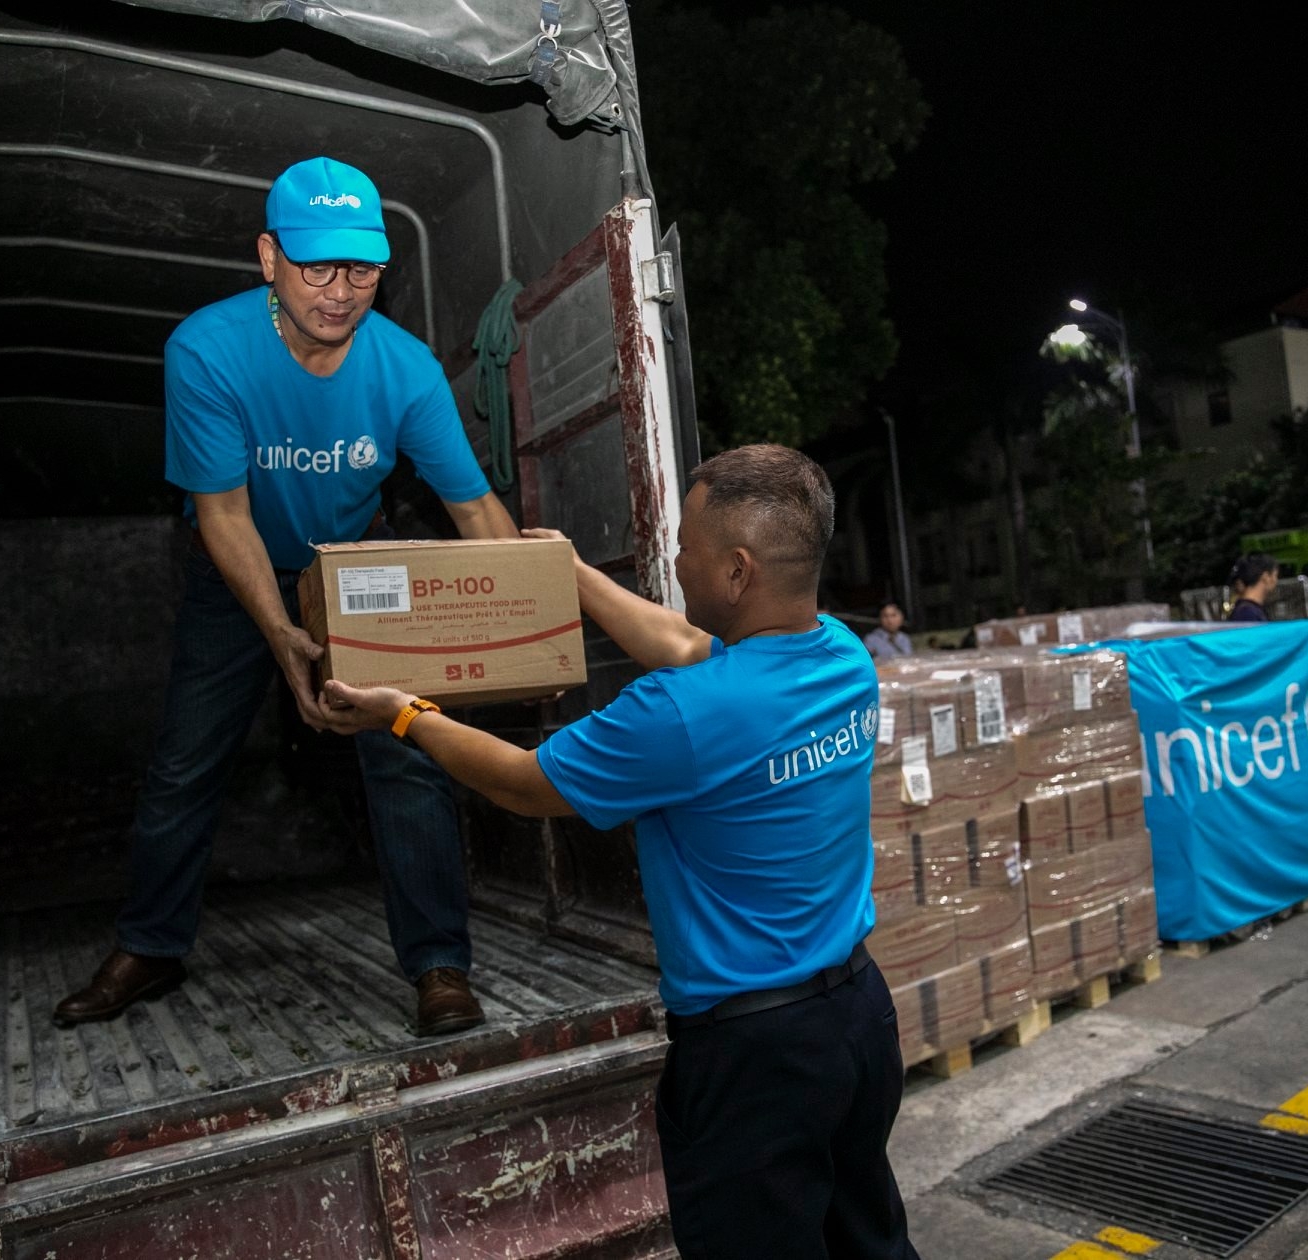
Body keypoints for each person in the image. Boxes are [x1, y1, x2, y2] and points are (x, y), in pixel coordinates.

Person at [322, 445, 918, 1260]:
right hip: (855, 1018)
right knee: (869, 1239)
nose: (673, 559)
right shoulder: (843, 658)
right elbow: (680, 640)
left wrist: (405, 715)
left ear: (738, 572)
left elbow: (527, 783)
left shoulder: (681, 715)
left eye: (686, 547)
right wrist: (568, 570)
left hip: (755, 1057)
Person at [55, 156, 519, 1037]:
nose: (341, 292)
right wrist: (280, 632)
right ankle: (151, 946)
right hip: (238, 570)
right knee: (187, 760)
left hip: (357, 567)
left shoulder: (407, 369)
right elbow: (222, 513)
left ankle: (440, 967)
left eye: (362, 269)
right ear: (269, 256)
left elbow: (474, 507)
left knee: (407, 748)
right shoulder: (206, 349)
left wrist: (521, 612)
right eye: (317, 266)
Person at [1228, 552, 1278, 622]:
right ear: (1266, 577)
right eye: (1275, 575)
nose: (1276, 581)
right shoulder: (1247, 614)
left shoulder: (1248, 610)